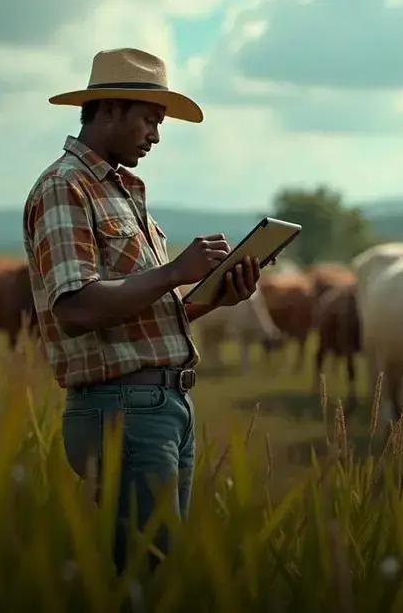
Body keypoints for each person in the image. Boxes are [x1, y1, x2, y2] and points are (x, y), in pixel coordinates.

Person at [22, 47, 261, 570]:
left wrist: (211, 298)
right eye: (150, 119)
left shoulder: (121, 193)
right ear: (109, 109)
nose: (156, 134)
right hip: (123, 408)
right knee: (145, 574)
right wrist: (175, 271)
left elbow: (141, 313)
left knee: (156, 571)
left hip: (161, 406)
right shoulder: (66, 187)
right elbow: (77, 306)